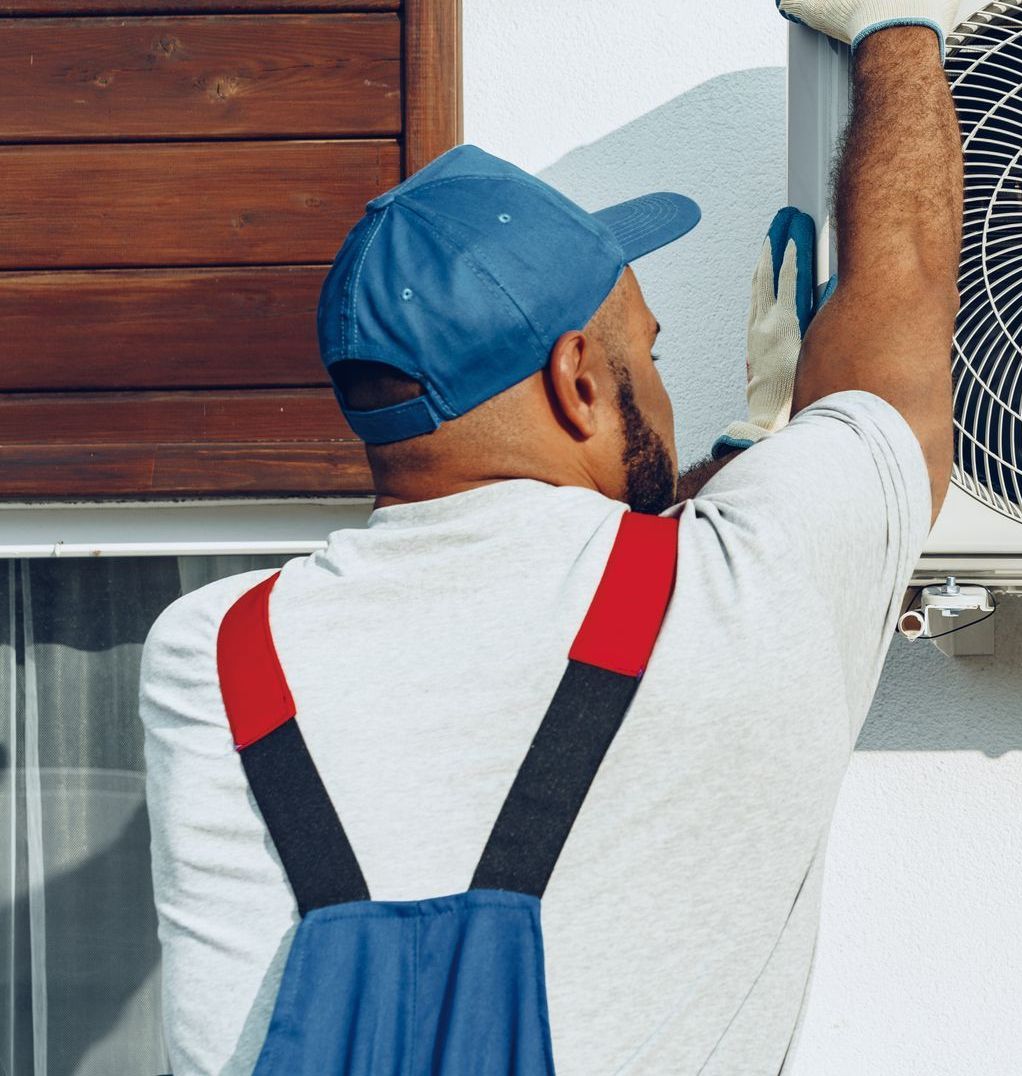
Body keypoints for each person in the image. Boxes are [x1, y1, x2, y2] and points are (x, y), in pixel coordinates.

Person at [138, 1, 966, 1070]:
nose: (663, 389)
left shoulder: (211, 653)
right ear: (578, 380)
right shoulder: (753, 583)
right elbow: (899, 303)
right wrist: (895, 27)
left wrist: (730, 475)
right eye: (649, 354)